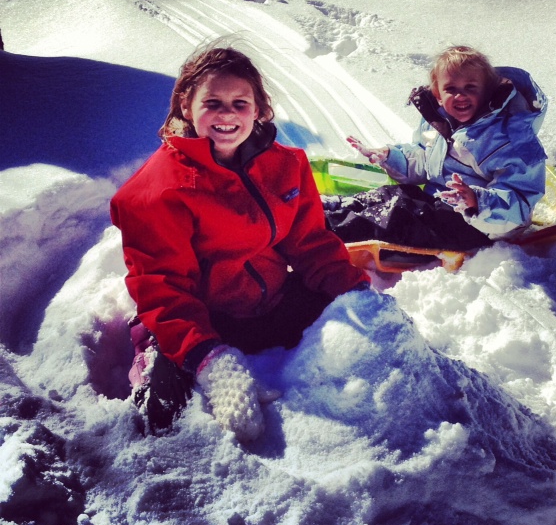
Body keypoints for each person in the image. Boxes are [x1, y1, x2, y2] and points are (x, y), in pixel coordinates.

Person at [111, 41, 369, 440]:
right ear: (187, 106)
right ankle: (157, 351)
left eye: (240, 103)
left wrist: (358, 296)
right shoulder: (159, 192)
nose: (227, 114)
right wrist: (211, 362)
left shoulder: (286, 165)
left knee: (363, 335)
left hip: (271, 303)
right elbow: (163, 286)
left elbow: (311, 244)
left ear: (257, 109)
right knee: (165, 422)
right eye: (213, 103)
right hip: (204, 318)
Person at [323, 45, 548, 252]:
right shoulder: (443, 122)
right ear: (438, 95)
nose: (460, 95)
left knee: (398, 217)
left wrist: (476, 201)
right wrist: (390, 156)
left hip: (477, 226)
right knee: (397, 194)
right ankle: (333, 208)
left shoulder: (512, 138)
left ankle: (331, 229)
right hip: (437, 205)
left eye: (470, 87)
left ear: (488, 91)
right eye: (450, 88)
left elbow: (521, 200)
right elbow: (425, 160)